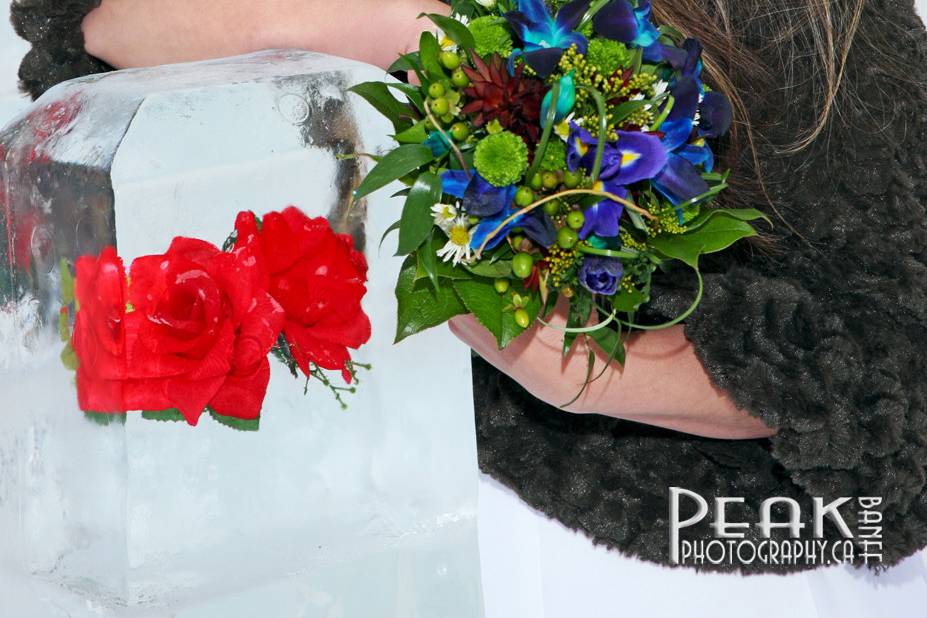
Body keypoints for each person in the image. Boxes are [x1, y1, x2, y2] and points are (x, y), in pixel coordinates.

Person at [11, 0, 927, 580]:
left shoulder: (819, 30)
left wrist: (606, 373)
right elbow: (80, 27)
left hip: (681, 538)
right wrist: (402, 31)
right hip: (347, 507)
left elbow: (901, 398)